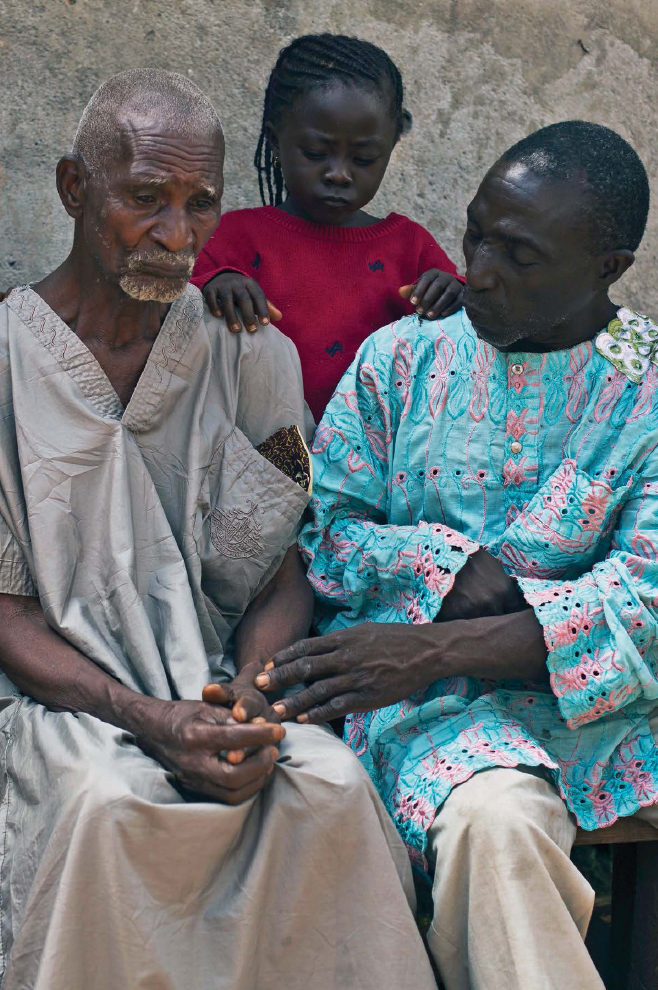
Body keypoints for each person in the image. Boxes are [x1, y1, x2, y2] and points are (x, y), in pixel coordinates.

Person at [0, 68, 438, 990]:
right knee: (108, 801)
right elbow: (5, 617)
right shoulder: (6, 363)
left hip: (213, 688)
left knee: (328, 788)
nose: (177, 236)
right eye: (146, 199)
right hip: (64, 706)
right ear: (75, 189)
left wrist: (248, 696)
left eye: (202, 205)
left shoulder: (250, 352)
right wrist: (150, 719)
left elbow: (282, 568)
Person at [255, 121, 658, 990]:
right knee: (498, 821)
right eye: (477, 234)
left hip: (614, 725)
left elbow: (648, 604)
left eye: (519, 255)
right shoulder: (401, 360)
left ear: (609, 266)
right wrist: (441, 566)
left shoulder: (648, 386)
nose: (477, 269)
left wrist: (436, 646)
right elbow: (325, 528)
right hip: (430, 716)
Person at [191, 33, 464, 420]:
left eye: (365, 158)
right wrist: (215, 286)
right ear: (275, 140)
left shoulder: (409, 247)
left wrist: (453, 295)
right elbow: (173, 320)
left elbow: (464, 336)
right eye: (316, 154)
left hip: (380, 459)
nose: (339, 174)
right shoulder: (235, 237)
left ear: (391, 144)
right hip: (257, 459)